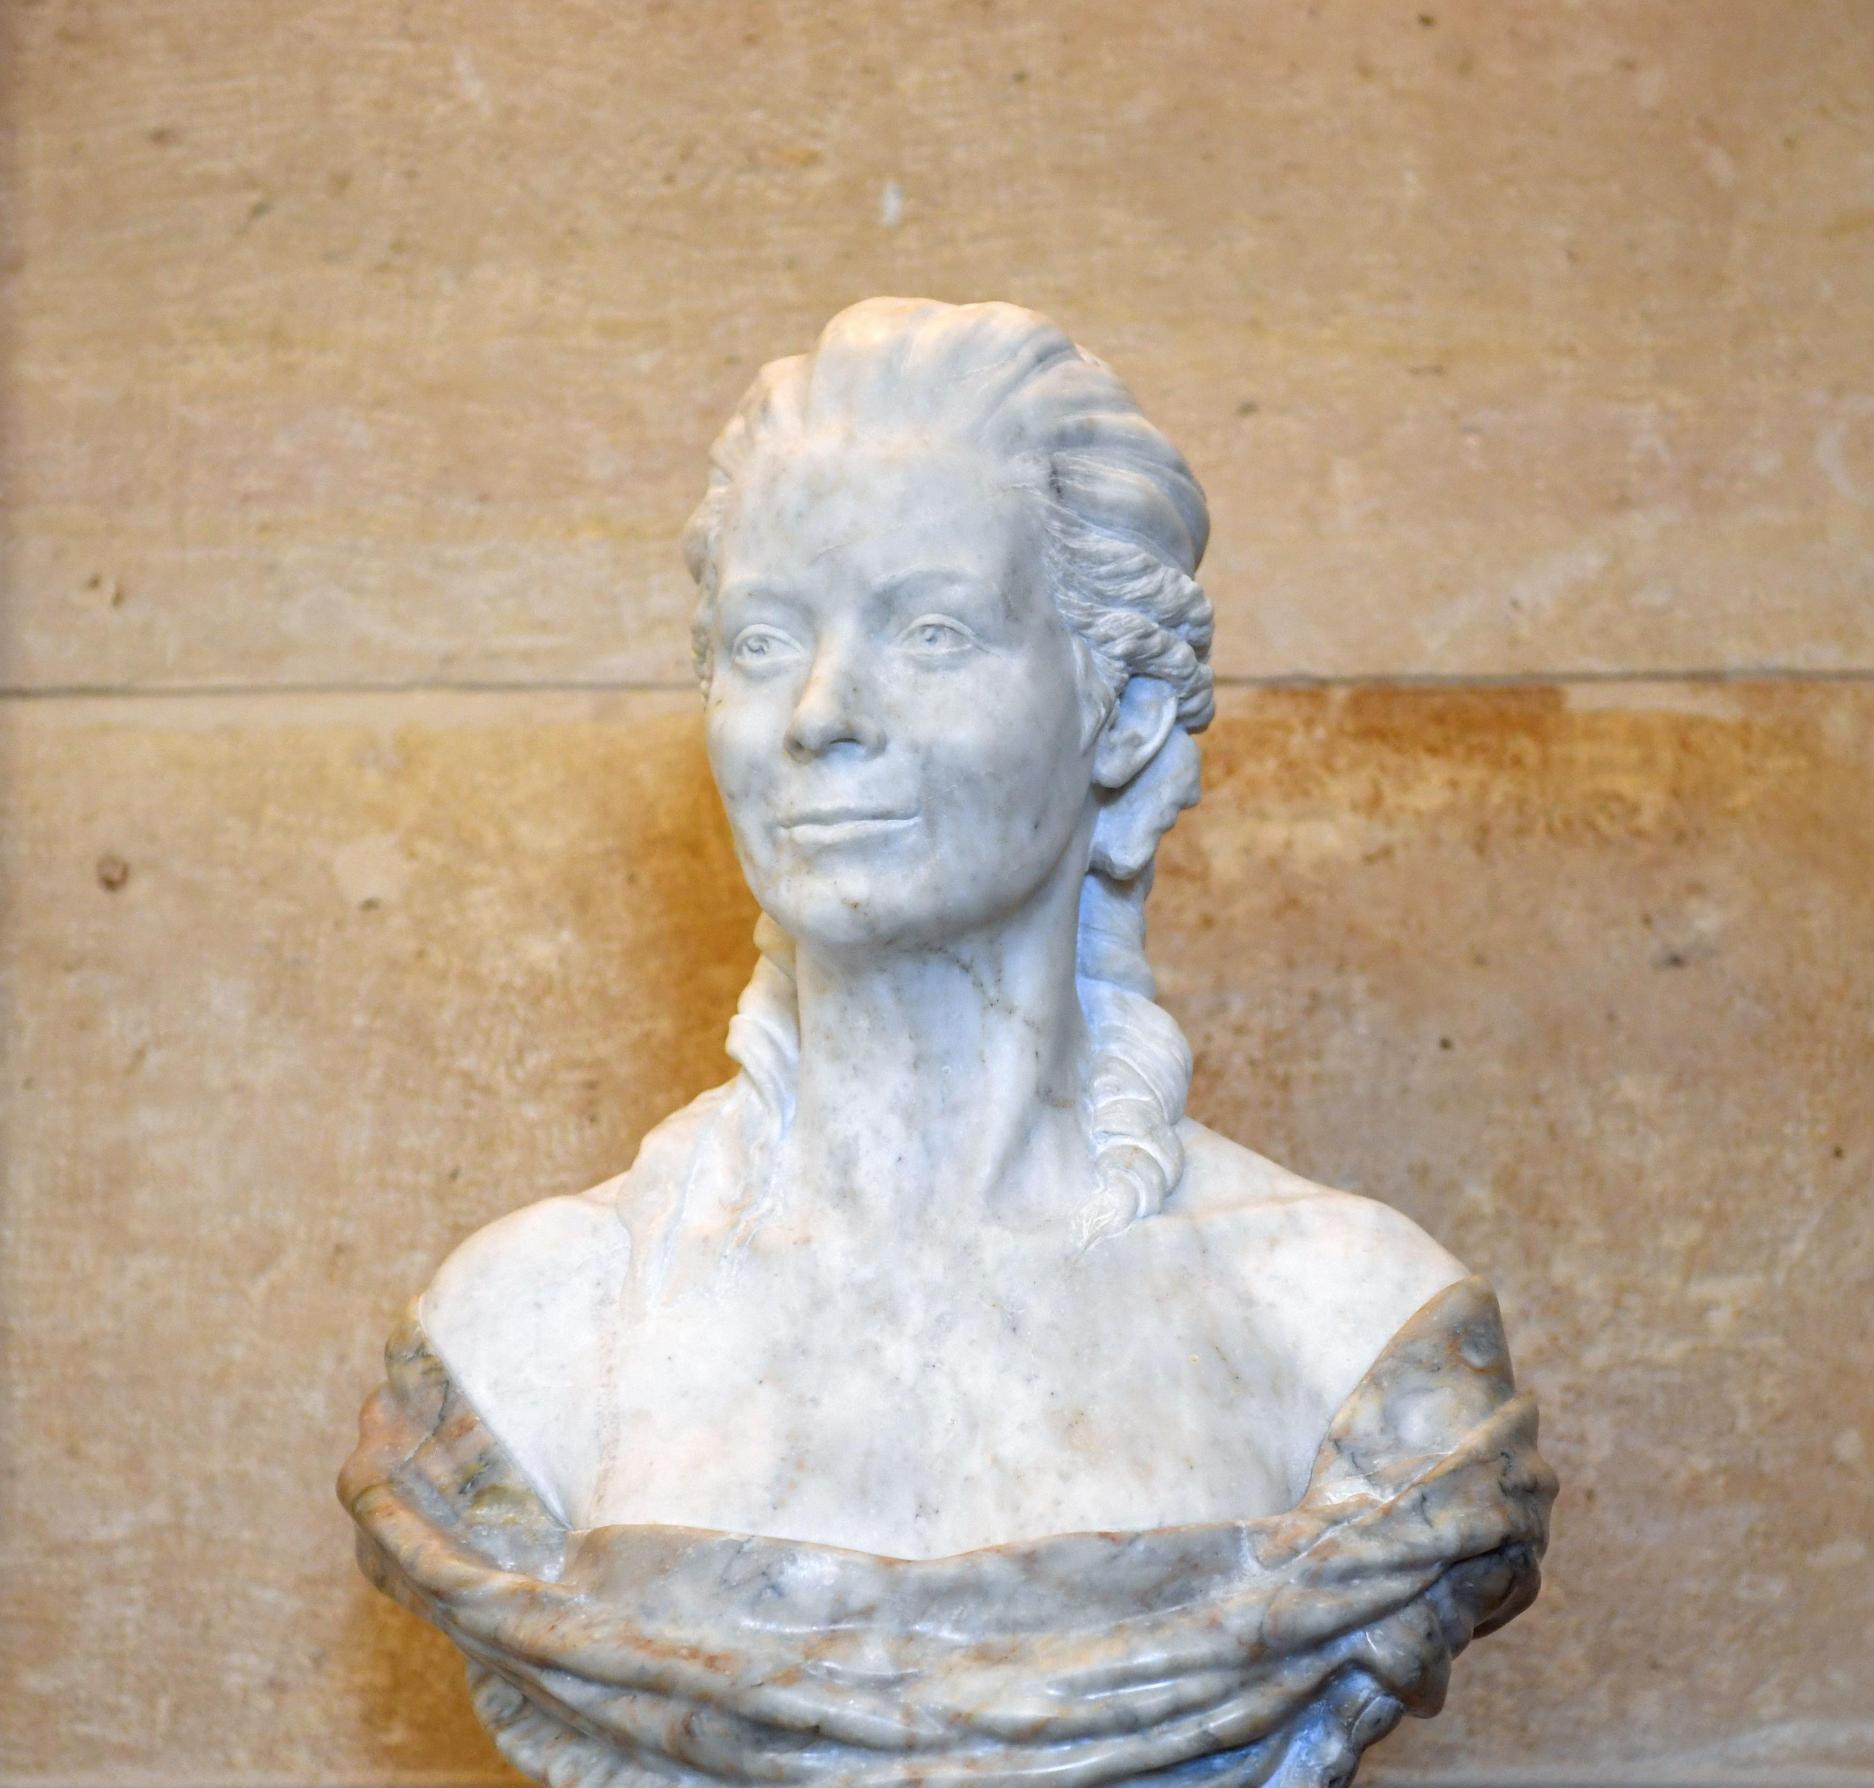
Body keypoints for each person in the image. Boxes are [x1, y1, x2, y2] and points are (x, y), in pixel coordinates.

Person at [420, 297, 1466, 1560]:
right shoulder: (532, 1336)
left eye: (930, 632)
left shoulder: (1338, 1327)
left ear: (1123, 711)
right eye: (762, 640)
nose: (820, 714)